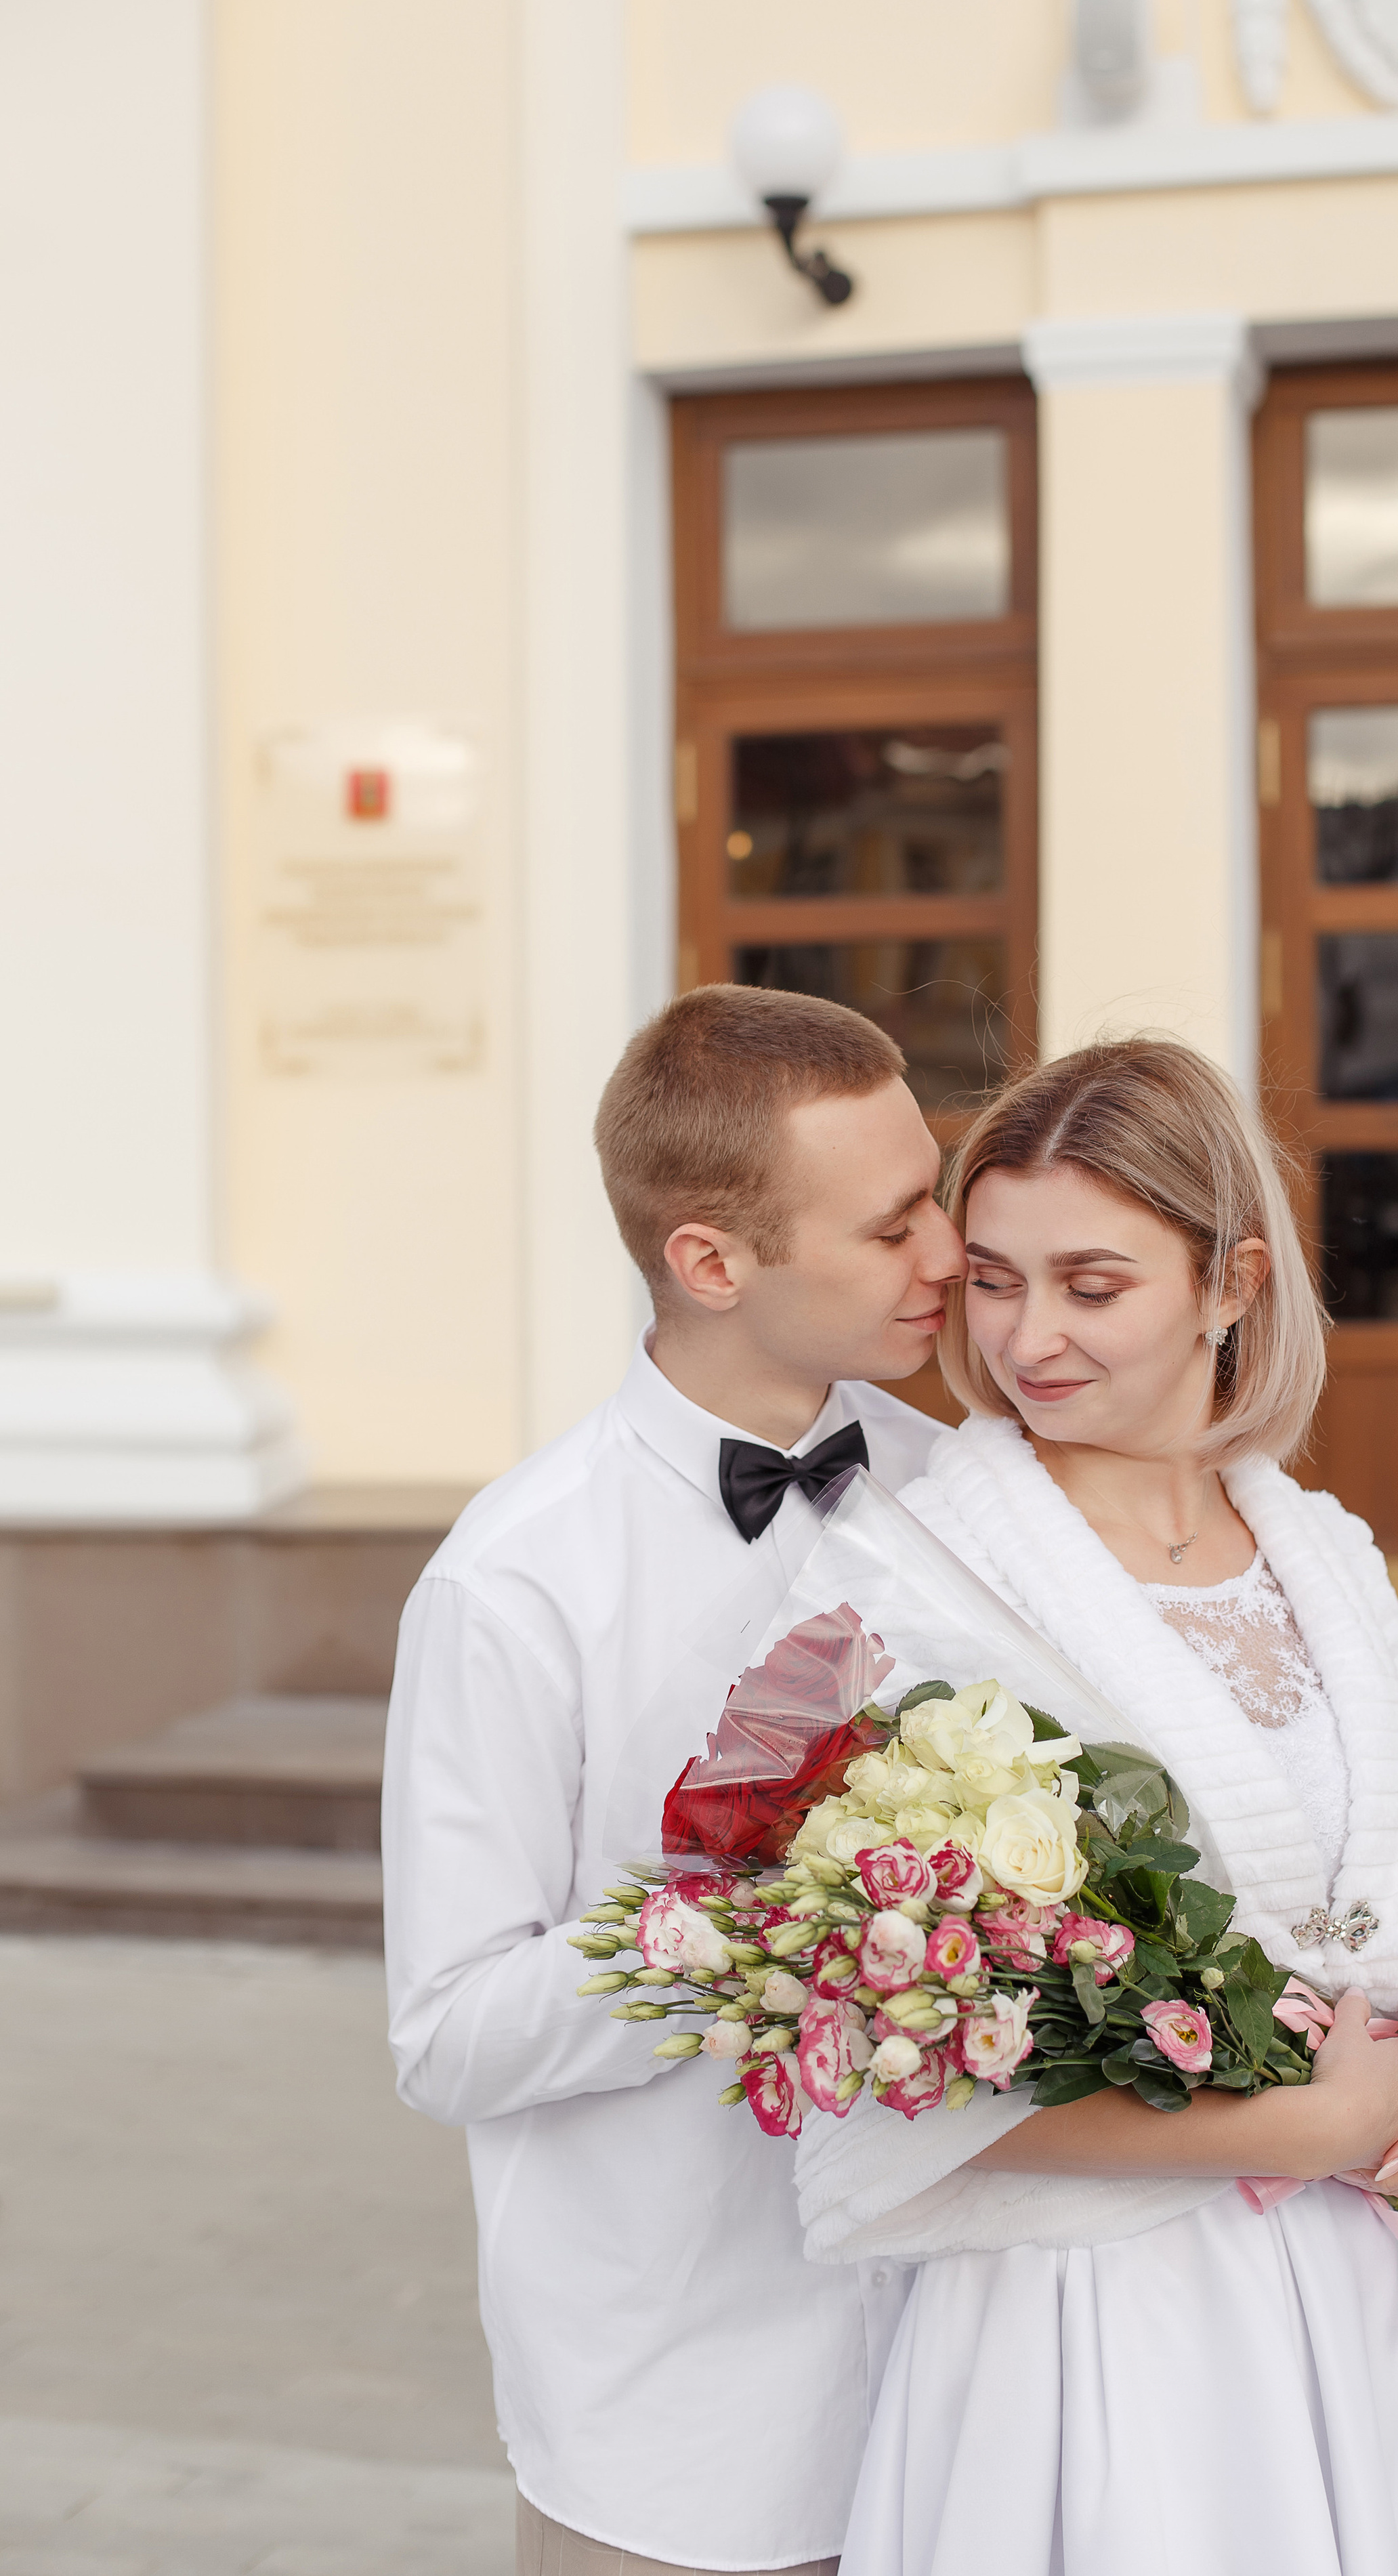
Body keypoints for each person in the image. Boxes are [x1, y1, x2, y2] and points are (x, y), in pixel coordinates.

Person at [797, 1036, 1398, 2576]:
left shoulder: (1318, 1549)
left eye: (1093, 1286)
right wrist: (1302, 2120)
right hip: (1109, 2318)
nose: (1029, 1338)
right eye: (995, 1280)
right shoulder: (909, 1583)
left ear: (1229, 1285)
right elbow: (889, 2051)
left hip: (1378, 2284)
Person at [382, 985, 967, 2576]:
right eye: (893, 1223)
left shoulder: (964, 1499)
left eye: (940, 1194)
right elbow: (446, 2037)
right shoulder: (515, 1584)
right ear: (711, 1261)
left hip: (966, 2385)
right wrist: (749, 1933)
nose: (947, 1256)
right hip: (679, 2423)